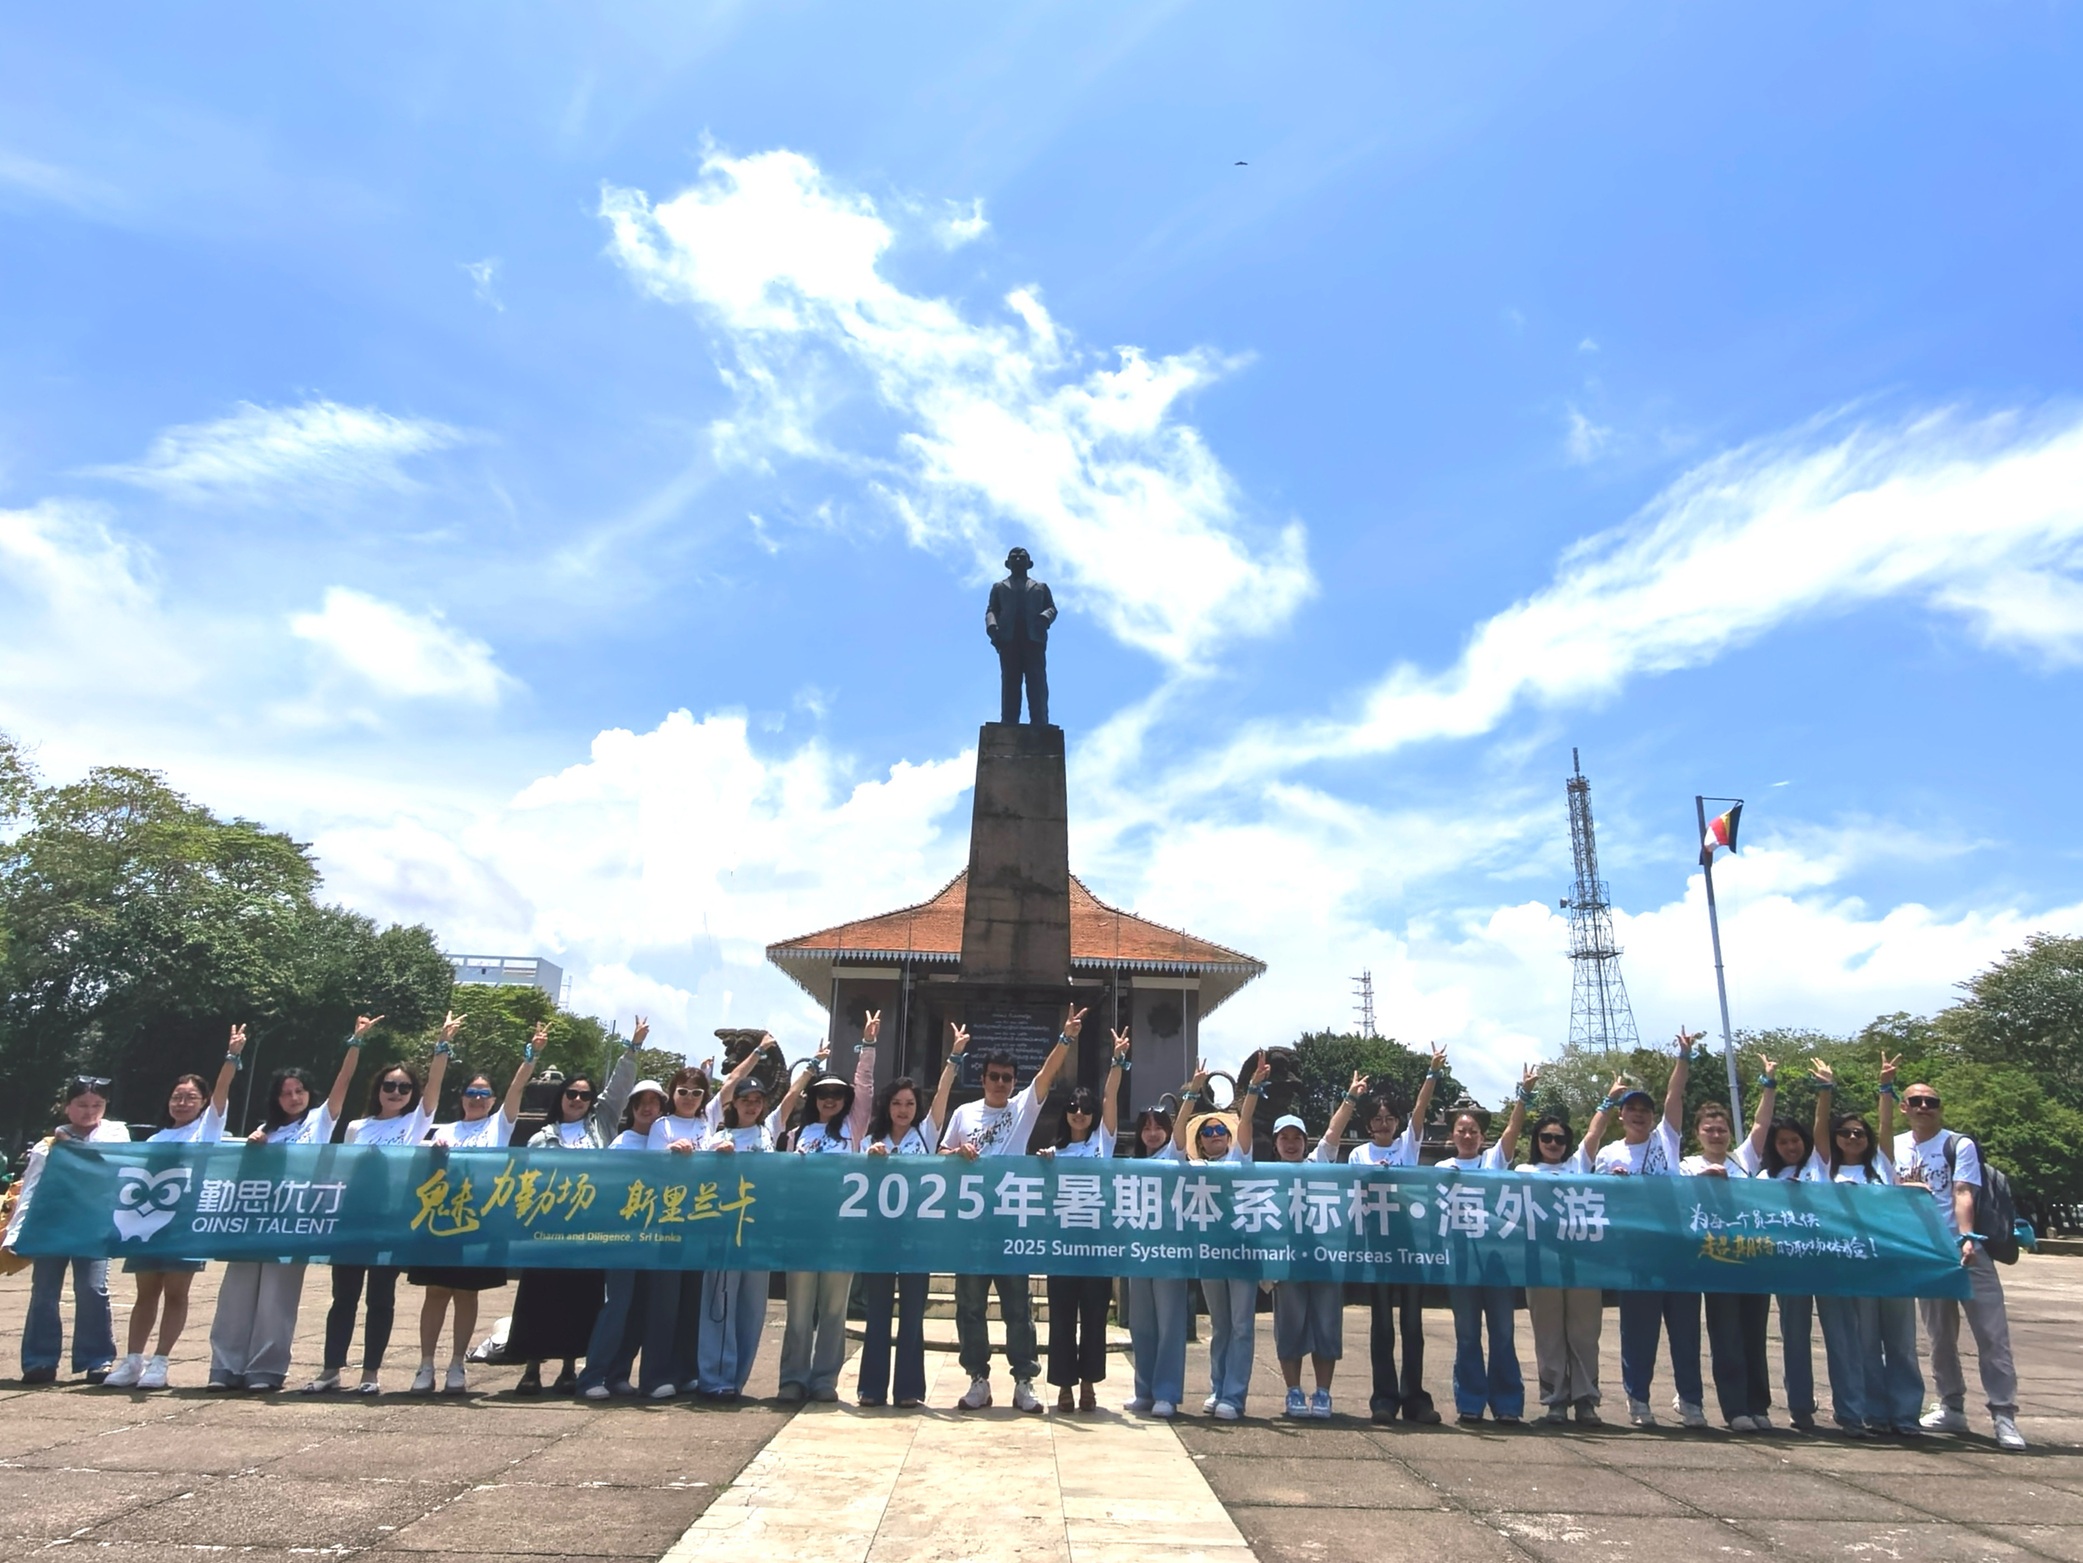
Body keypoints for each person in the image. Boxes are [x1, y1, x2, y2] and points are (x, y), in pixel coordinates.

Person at [207, 1015, 376, 1391]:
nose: (293, 1097)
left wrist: (355, 1043)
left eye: (299, 1090)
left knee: (276, 1300)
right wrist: (255, 1149)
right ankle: (225, 1367)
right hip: (252, 1221)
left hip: (292, 1220)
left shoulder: (319, 1121)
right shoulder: (265, 1131)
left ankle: (265, 1369)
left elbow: (343, 1085)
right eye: (286, 1092)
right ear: (276, 1097)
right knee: (236, 1295)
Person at [305, 1015, 457, 1395]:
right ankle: (330, 1370)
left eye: (404, 1087)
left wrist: (441, 1046)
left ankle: (370, 1374)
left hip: (390, 1222)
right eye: (389, 1085)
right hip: (352, 1220)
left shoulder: (414, 1125)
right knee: (343, 1299)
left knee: (380, 1300)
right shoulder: (358, 1126)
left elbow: (434, 1089)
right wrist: (355, 1042)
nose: (396, 1091)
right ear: (379, 1089)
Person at [939, 1006, 1080, 1413]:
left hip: (1011, 1223)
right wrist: (956, 1153)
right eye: (993, 1077)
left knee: (1019, 1307)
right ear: (982, 1079)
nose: (1000, 1083)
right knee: (970, 1306)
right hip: (971, 1225)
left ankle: (1024, 1381)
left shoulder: (1021, 1108)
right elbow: (942, 1152)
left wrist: (1066, 1036)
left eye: (1007, 1078)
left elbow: (1046, 1076)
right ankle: (978, 1379)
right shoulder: (964, 1114)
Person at [102, 1026, 248, 1389]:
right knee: (145, 1293)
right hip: (147, 1223)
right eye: (177, 1097)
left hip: (184, 1223)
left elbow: (222, 1092)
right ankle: (133, 1360)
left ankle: (160, 1362)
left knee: (176, 1293)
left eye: (190, 1097)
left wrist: (232, 1056)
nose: (182, 1103)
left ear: (202, 1102)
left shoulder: (207, 1130)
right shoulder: (155, 1137)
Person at [509, 1018, 641, 1394]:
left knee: (581, 1298)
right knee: (539, 1296)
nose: (578, 1100)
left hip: (587, 1226)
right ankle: (532, 1367)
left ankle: (569, 1365)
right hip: (548, 1227)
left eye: (585, 1096)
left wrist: (631, 1049)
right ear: (561, 1098)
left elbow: (618, 1092)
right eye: (572, 1095)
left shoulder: (599, 1127)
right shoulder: (541, 1138)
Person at [1316, 1048, 1447, 1427]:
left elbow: (1421, 1111)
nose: (1384, 1124)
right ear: (1369, 1124)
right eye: (1377, 1119)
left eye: (1390, 1118)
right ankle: (1384, 1397)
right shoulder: (1360, 1155)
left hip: (1409, 1244)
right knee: (1382, 1326)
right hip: (1376, 1246)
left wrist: (1431, 1074)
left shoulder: (1407, 1147)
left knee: (1412, 1324)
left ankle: (1416, 1397)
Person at [1895, 1077, 2026, 1450]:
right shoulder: (1894, 1147)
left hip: (1964, 1248)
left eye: (1931, 1101)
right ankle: (1951, 1403)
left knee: (1991, 1335)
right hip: (1925, 1251)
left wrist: (1967, 1236)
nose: (1924, 1107)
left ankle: (2004, 1413)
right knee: (1939, 1336)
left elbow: (1964, 1191)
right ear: (1904, 1107)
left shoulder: (1958, 1144)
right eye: (1916, 1101)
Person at [410, 1025, 540, 1395]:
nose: (477, 1099)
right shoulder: (443, 1129)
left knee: (467, 1294)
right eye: (471, 1093)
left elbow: (517, 1091)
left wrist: (530, 1058)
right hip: (439, 1221)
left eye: (484, 1094)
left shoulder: (498, 1125)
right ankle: (425, 1365)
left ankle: (456, 1366)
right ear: (462, 1097)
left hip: (478, 1222)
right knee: (435, 1292)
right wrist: (442, 1046)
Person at [1595, 1027, 1704, 1429]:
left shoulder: (1666, 1141)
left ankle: (1691, 1400)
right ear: (1621, 1115)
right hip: (1636, 1252)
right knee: (1638, 1332)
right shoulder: (1609, 1153)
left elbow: (1676, 1096)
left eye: (1645, 1109)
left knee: (1686, 1330)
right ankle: (1637, 1399)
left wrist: (1683, 1059)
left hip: (1677, 1247)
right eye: (1631, 1109)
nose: (1638, 1114)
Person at [1808, 1055, 1923, 1438]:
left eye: (1859, 1133)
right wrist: (1825, 1090)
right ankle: (1875, 1412)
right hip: (1854, 1265)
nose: (1853, 1138)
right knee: (1865, 1344)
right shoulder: (1828, 1169)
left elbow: (1886, 1126)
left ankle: (1906, 1414)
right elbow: (1819, 1132)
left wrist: (1886, 1088)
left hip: (1891, 1263)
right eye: (1846, 1133)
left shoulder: (1880, 1165)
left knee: (1903, 1343)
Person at [4, 1076, 131, 1384]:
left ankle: (97, 1359)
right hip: (52, 1227)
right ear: (67, 1107)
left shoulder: (115, 1132)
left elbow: (108, 1158)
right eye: (82, 1105)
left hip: (94, 1226)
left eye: (97, 1105)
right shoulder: (47, 1148)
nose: (89, 1112)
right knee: (45, 1293)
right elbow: (31, 1190)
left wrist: (68, 1141)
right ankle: (39, 1361)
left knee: (92, 1290)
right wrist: (14, 1233)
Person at [855, 1040, 959, 1409]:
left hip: (917, 1239)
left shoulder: (926, 1136)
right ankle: (870, 1387)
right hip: (878, 1239)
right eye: (898, 1103)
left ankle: (909, 1389)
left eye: (910, 1104)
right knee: (878, 1313)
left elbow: (943, 1095)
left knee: (913, 1314)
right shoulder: (870, 1140)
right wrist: (869, 1159)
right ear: (888, 1106)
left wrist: (953, 1058)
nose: (903, 1110)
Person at [777, 1023, 876, 1404]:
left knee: (834, 1311)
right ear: (813, 1098)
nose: (829, 1099)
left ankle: (824, 1380)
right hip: (802, 1229)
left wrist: (866, 1045)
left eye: (837, 1094)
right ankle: (792, 1378)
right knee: (799, 1312)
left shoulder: (850, 1130)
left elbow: (865, 1089)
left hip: (839, 1231)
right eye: (823, 1094)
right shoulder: (796, 1134)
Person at [1434, 1067, 1532, 1425]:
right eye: (1461, 1130)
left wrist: (1523, 1097)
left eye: (1473, 1130)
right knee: (1467, 1334)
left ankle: (1507, 1404)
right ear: (1452, 1135)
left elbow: (1512, 1131)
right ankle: (1470, 1402)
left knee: (1503, 1333)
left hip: (1497, 1261)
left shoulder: (1493, 1161)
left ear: (1482, 1136)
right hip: (1461, 1261)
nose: (1467, 1135)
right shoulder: (1443, 1167)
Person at [1517, 1081, 1616, 1425]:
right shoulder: (1523, 1173)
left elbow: (1594, 1134)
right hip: (1542, 1262)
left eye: (1560, 1139)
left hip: (1582, 1262)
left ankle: (1586, 1399)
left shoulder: (1578, 1167)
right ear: (1537, 1142)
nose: (1554, 1144)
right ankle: (1555, 1399)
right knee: (1548, 1334)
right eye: (1547, 1138)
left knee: (1585, 1333)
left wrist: (1608, 1101)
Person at [1038, 1031, 1128, 1413]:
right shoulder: (1054, 1151)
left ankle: (1089, 1384)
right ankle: (1063, 1388)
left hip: (1096, 1245)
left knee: (1093, 1317)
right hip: (1062, 1246)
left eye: (1085, 1109)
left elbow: (1111, 1099)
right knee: (1061, 1319)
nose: (1080, 1113)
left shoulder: (1101, 1143)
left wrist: (1117, 1062)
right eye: (1073, 1107)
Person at [697, 1057, 793, 1399]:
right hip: (724, 1229)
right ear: (733, 1104)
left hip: (759, 1230)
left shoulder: (768, 1131)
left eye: (757, 1101)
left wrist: (812, 1066)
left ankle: (737, 1378)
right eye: (745, 1100)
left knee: (753, 1307)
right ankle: (714, 1377)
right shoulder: (716, 1135)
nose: (751, 1106)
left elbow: (792, 1096)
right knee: (720, 1302)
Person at [1682, 1087, 1777, 1432]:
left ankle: (1759, 1405)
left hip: (1754, 1257)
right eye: (1709, 1129)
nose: (1716, 1135)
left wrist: (1769, 1085)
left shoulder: (1743, 1160)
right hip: (1716, 1259)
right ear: (1697, 1134)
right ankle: (1735, 1408)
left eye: (1721, 1129)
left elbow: (1761, 1124)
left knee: (1755, 1334)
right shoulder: (1688, 1165)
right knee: (1727, 1336)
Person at [1175, 1055, 1263, 1421]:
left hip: (1242, 1251)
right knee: (1220, 1323)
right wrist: (1192, 1093)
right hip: (1209, 1252)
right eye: (1207, 1133)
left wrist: (1254, 1087)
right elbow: (1177, 1138)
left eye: (1219, 1132)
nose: (1214, 1136)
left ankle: (1235, 1395)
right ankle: (1217, 1386)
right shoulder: (1194, 1168)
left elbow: (1246, 1122)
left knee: (1242, 1324)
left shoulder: (1239, 1160)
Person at [579, 1075, 673, 1400]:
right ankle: (593, 1375)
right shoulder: (622, 1143)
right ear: (632, 1108)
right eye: (641, 1103)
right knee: (617, 1305)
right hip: (623, 1234)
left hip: (658, 1234)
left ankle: (619, 1374)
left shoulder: (669, 1141)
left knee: (641, 1308)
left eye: (654, 1103)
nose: (648, 1108)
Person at [642, 1056, 724, 1399]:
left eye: (696, 1092)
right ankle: (655, 1375)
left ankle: (686, 1370)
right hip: (669, 1219)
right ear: (672, 1094)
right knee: (665, 1300)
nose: (689, 1097)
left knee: (693, 1299)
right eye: (683, 1091)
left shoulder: (709, 1127)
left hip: (701, 1218)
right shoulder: (663, 1126)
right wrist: (671, 1152)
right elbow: (651, 1166)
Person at [1267, 1090, 1347, 1420]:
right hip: (1286, 1264)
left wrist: (1349, 1100)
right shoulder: (1264, 1177)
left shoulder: (1319, 1165)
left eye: (1296, 1137)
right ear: (1275, 1143)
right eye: (1283, 1138)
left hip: (1325, 1262)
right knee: (1290, 1327)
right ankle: (1293, 1391)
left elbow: (1333, 1132)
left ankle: (1324, 1393)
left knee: (1327, 1326)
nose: (1290, 1143)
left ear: (1305, 1141)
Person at [1751, 1060, 1820, 1432]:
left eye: (1795, 1140)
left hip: (1827, 1259)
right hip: (1785, 1264)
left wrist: (1823, 1092)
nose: (1790, 1147)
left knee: (1845, 1335)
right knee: (1794, 1336)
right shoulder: (1764, 1177)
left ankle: (1856, 1405)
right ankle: (1801, 1404)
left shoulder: (1820, 1168)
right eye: (1783, 1142)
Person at [1119, 1090, 1189, 1423]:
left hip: (1169, 1253)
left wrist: (1189, 1094)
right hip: (1138, 1252)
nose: (1152, 1132)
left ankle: (1167, 1393)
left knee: (1170, 1324)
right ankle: (1144, 1390)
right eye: (1145, 1127)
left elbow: (1181, 1129)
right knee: (1142, 1324)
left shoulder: (1174, 1156)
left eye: (1157, 1126)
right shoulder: (1134, 1164)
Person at [986, 546, 1056, 725]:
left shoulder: (1040, 587)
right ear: (1007, 563)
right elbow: (992, 610)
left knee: (1037, 681)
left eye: (1022, 557)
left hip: (1033, 639)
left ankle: (1040, 721)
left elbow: (1052, 608)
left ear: (1029, 563)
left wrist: (1044, 618)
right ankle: (1009, 721)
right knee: (1010, 682)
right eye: (1014, 557)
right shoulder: (999, 587)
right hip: (1009, 640)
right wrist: (992, 627)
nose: (1018, 560)